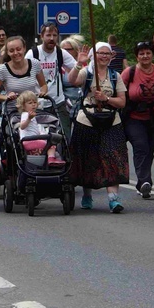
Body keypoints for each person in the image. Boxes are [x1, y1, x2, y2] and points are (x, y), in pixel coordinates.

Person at [66, 42, 128, 213]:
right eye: (100, 53)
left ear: (111, 56)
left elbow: (122, 102)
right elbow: (72, 81)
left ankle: (113, 199)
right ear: (94, 55)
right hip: (87, 119)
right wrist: (79, 64)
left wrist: (106, 99)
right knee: (87, 158)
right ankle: (87, 195)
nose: (104, 56)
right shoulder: (87, 73)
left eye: (107, 54)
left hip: (111, 121)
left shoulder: (116, 76)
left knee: (113, 157)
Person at [121, 41, 154, 199]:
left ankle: (142, 182)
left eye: (148, 53)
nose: (145, 56)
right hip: (133, 117)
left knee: (149, 151)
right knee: (141, 147)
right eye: (141, 53)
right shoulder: (129, 73)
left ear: (153, 54)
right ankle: (145, 182)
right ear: (136, 56)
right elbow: (119, 91)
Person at [25, 22, 77, 137]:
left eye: (54, 35)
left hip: (58, 102)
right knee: (38, 136)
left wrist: (82, 65)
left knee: (65, 135)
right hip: (37, 104)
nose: (52, 38)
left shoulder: (60, 53)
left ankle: (66, 154)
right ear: (42, 36)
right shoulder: (33, 53)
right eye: (48, 35)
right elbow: (24, 75)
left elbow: (76, 69)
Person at [0, 36, 48, 112]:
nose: (16, 53)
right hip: (13, 111)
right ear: (8, 52)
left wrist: (43, 92)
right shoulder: (3, 69)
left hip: (32, 109)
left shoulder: (34, 63)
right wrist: (7, 97)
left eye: (18, 49)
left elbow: (43, 85)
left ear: (24, 48)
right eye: (12, 50)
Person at [17, 90, 63, 165]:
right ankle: (51, 159)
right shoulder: (26, 115)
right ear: (23, 106)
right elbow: (22, 126)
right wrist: (29, 118)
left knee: (45, 145)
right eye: (30, 103)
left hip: (31, 141)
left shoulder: (31, 115)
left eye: (35, 102)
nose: (33, 105)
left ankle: (47, 160)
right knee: (51, 144)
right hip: (30, 141)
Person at [60, 35, 85, 107]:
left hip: (80, 100)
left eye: (69, 49)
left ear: (76, 50)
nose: (65, 52)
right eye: (63, 49)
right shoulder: (59, 66)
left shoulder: (82, 64)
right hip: (63, 103)